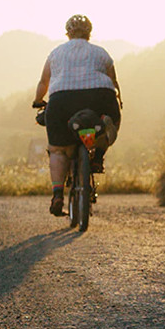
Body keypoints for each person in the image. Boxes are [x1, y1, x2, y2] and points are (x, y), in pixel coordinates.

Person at [33, 14, 123, 217]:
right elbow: (113, 81)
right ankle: (98, 157)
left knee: (57, 150)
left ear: (67, 33)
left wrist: (38, 101)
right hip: (99, 97)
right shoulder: (101, 53)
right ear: (89, 34)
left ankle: (57, 195)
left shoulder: (55, 53)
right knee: (111, 122)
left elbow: (44, 82)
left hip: (62, 101)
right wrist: (115, 99)